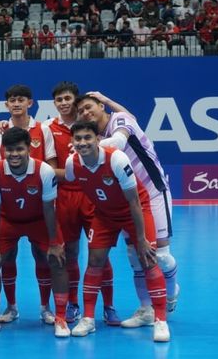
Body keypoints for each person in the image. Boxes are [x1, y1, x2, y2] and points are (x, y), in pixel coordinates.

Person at [75, 92, 180, 327]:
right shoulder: (99, 132)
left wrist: (82, 146)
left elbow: (120, 142)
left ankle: (172, 290)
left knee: (159, 256)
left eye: (89, 107)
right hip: (127, 198)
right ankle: (146, 310)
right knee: (135, 256)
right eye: (80, 111)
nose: (84, 112)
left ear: (102, 106)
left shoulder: (118, 122)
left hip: (153, 192)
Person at [64, 120, 170, 342]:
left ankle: (160, 321)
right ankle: (89, 319)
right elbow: (69, 180)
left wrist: (140, 239)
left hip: (134, 211)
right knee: (94, 261)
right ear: (72, 141)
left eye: (88, 138)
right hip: (104, 215)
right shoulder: (72, 163)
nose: (83, 143)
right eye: (78, 139)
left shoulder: (117, 159)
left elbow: (134, 202)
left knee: (148, 259)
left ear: (98, 139)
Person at [0, 127, 70, 337]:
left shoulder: (44, 170)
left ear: (29, 148)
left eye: (19, 149)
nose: (14, 154)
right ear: (3, 150)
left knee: (57, 260)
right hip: (8, 221)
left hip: (39, 221)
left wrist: (54, 243)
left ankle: (59, 317)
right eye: (9, 150)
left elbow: (49, 208)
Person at [48, 82, 120, 326]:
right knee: (70, 254)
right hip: (65, 198)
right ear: (55, 103)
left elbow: (126, 121)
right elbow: (48, 167)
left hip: (93, 196)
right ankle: (73, 303)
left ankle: (108, 306)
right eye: (59, 99)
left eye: (68, 98)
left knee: (100, 254)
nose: (65, 103)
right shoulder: (48, 128)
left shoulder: (94, 127)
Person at [0, 84, 58, 325]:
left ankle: (45, 307)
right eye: (12, 100)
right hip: (9, 207)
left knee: (44, 257)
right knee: (6, 259)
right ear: (7, 105)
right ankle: (11, 307)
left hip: (39, 207)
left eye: (21, 99)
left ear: (30, 103)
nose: (16, 103)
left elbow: (51, 163)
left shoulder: (44, 129)